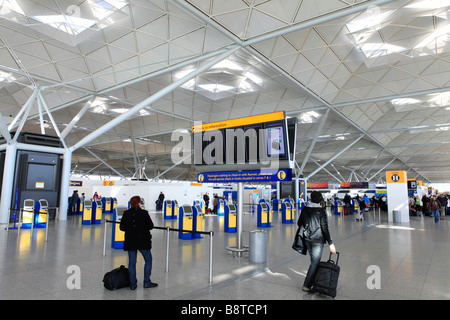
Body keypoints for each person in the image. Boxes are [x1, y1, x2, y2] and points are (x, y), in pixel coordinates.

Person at [297, 191, 336, 292]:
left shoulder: (305, 209)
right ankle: (307, 285)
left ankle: (314, 282)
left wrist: (307, 229)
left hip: (307, 239)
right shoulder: (321, 211)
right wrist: (331, 243)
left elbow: (299, 223)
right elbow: (325, 228)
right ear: (320, 199)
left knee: (314, 261)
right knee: (315, 262)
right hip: (317, 240)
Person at [120, 196, 158, 290]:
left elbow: (122, 228)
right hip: (143, 241)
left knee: (132, 263)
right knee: (148, 260)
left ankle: (133, 284)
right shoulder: (144, 213)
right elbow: (151, 226)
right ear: (139, 203)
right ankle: (146, 282)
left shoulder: (126, 213)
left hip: (131, 242)